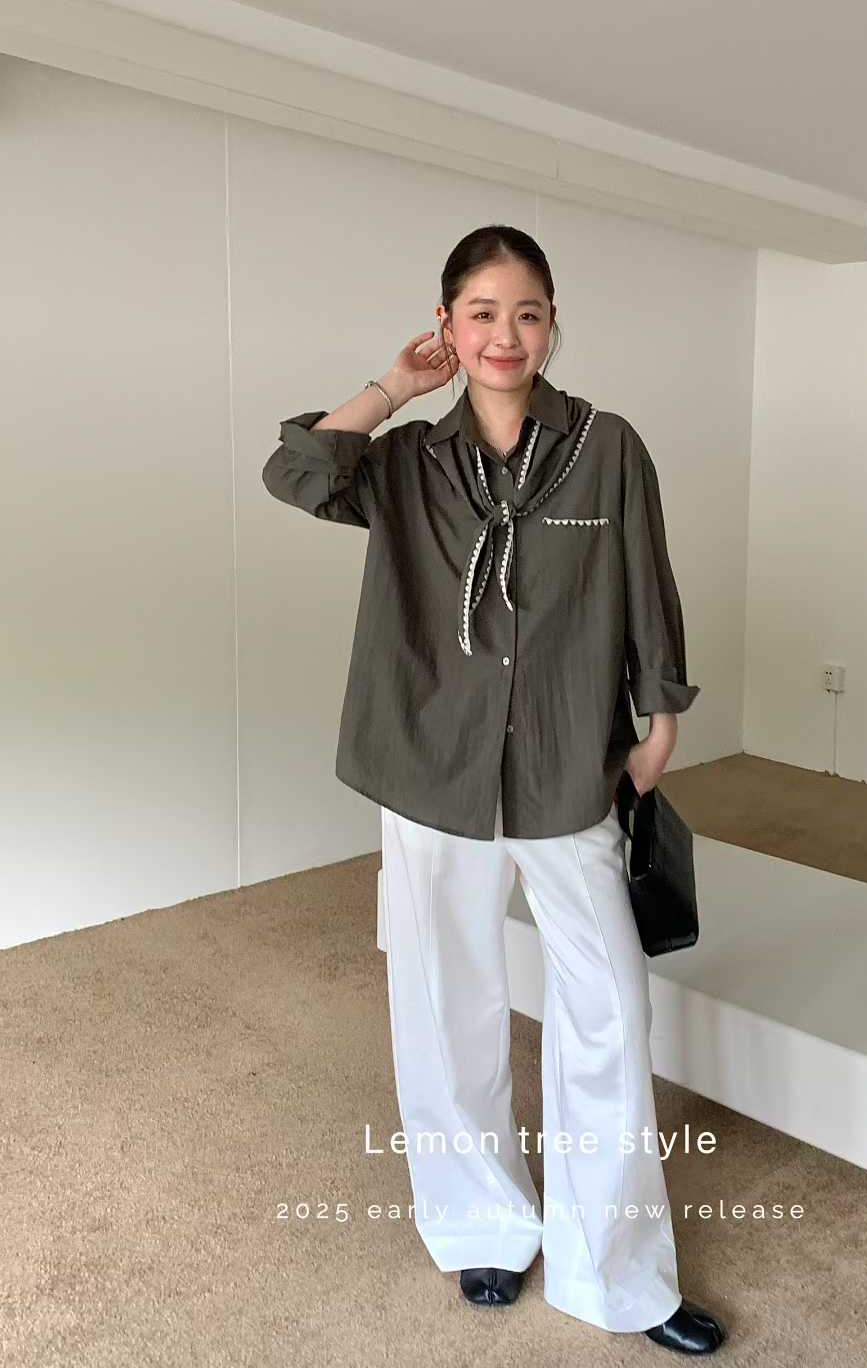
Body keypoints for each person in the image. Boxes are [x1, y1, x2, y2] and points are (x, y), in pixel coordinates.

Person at [261, 224, 726, 1354]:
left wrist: (661, 718)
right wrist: (393, 386)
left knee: (607, 1005)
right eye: (481, 313)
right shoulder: (408, 463)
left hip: (568, 760)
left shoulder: (608, 447)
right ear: (447, 324)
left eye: (526, 313)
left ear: (554, 323)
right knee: (445, 995)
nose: (504, 335)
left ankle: (617, 1275)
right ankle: (480, 1226)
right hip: (430, 764)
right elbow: (298, 472)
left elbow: (648, 581)